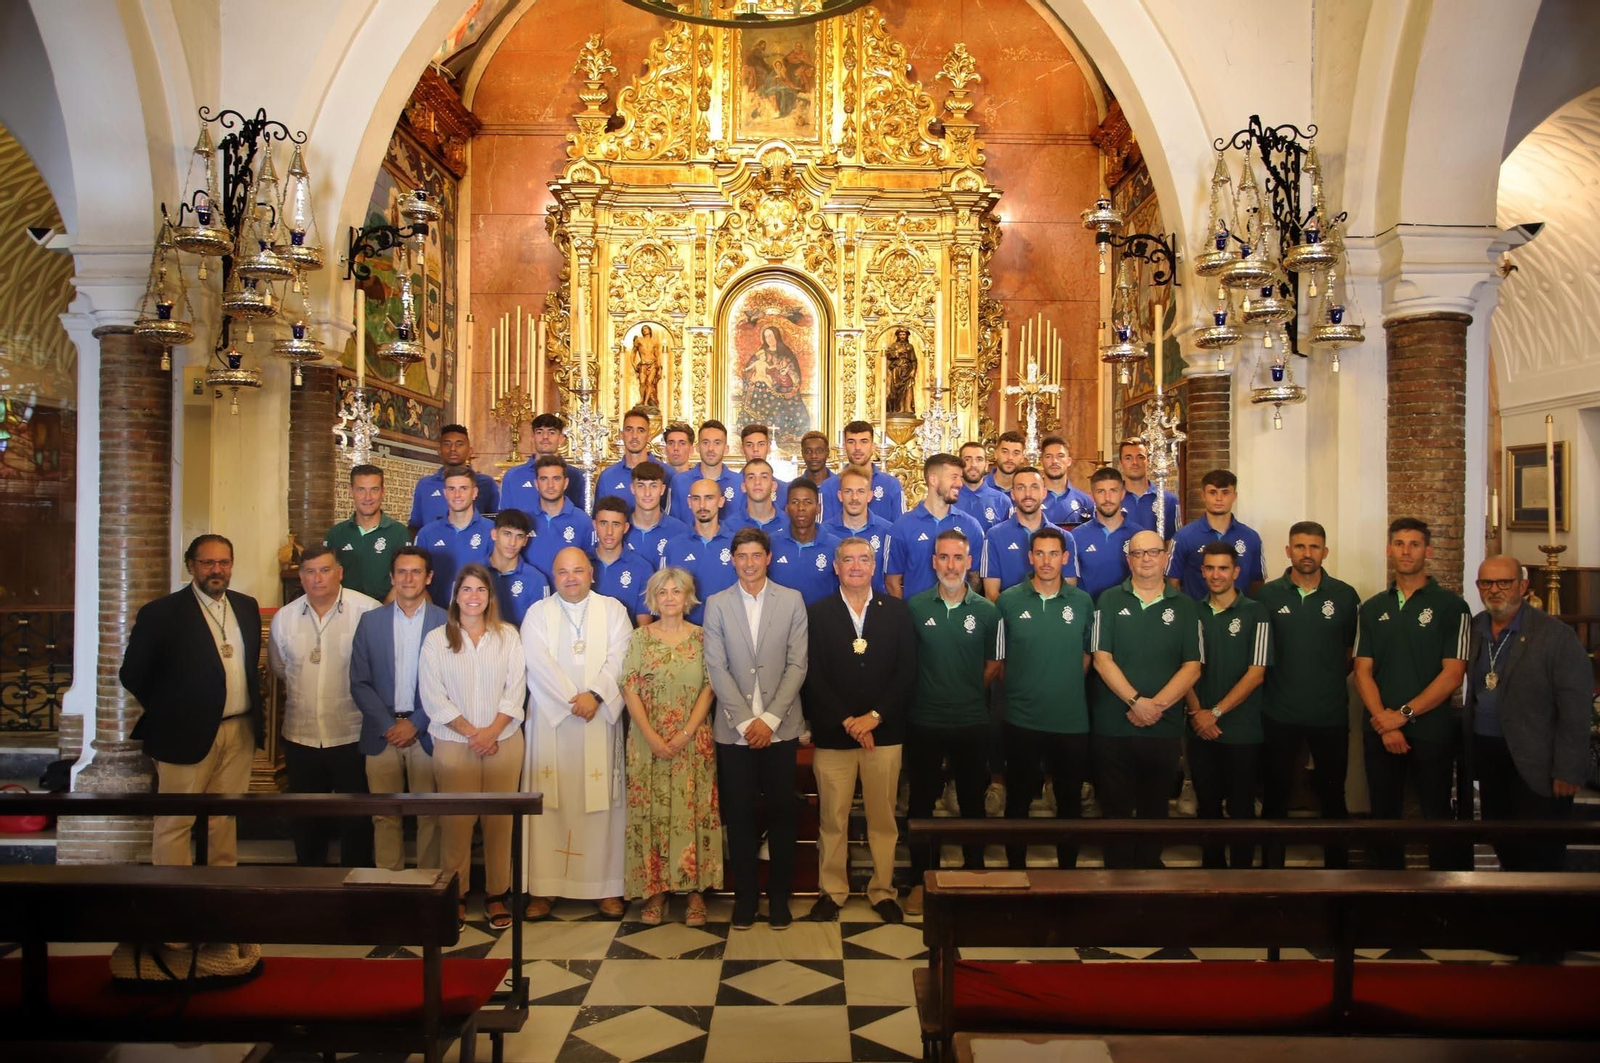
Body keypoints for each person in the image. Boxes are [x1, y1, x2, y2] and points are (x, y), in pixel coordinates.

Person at [123, 534, 264, 867]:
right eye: (207, 563)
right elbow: (133, 674)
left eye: (224, 562)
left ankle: (220, 890)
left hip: (239, 729)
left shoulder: (246, 607)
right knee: (176, 820)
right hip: (183, 733)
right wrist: (174, 711)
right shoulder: (162, 613)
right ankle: (174, 897)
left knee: (225, 818)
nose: (216, 570)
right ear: (191, 565)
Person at [803, 536, 916, 923]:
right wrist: (849, 721)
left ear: (874, 566)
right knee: (832, 819)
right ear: (835, 567)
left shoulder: (897, 612)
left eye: (863, 559)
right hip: (835, 735)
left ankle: (883, 890)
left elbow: (906, 672)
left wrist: (875, 717)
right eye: (847, 559)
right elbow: (812, 675)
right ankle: (832, 891)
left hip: (883, 735)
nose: (855, 566)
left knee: (882, 819)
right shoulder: (816, 614)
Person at [704, 528, 809, 930]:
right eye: (741, 556)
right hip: (734, 732)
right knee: (741, 815)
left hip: (780, 728)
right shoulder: (717, 604)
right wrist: (748, 722)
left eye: (756, 555)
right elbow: (717, 666)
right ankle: (745, 898)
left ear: (768, 558)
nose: (749, 563)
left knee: (783, 812)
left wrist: (769, 720)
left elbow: (797, 664)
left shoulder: (792, 601)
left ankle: (778, 898)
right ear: (733, 560)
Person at [1353, 518, 1471, 871]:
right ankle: (1385, 891)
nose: (1406, 551)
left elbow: (1453, 674)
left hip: (1430, 729)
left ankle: (1444, 895)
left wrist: (1402, 715)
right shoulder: (1373, 607)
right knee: (1383, 814)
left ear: (1428, 551)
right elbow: (1362, 671)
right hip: (1380, 727)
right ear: (1389, 550)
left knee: (1436, 811)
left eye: (1415, 544)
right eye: (1400, 544)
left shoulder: (1453, 607)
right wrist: (1385, 723)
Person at [522, 548, 635, 918]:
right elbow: (537, 664)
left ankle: (605, 887)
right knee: (548, 803)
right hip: (552, 724)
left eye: (578, 571)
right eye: (562, 572)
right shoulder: (538, 613)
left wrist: (597, 696)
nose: (571, 578)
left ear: (592, 573)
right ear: (553, 576)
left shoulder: (613, 610)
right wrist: (574, 702)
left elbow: (622, 656)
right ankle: (544, 888)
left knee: (600, 803)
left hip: (599, 719)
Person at [1463, 554, 1593, 872]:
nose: (1495, 590)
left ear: (1522, 586)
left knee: (1541, 852)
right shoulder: (1475, 628)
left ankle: (1544, 916)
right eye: (1486, 583)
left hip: (1540, 763)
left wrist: (1568, 769)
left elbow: (1576, 708)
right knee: (1502, 839)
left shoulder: (1554, 635)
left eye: (1504, 582)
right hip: (1491, 757)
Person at [421, 563, 527, 930]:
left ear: (489, 597)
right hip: (454, 744)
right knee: (456, 824)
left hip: (504, 741)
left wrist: (492, 732)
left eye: (480, 590)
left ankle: (497, 895)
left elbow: (516, 690)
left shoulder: (508, 636)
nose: (473, 597)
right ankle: (459, 894)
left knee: (499, 823)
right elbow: (434, 698)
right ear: (455, 596)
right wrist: (472, 734)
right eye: (466, 590)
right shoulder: (437, 639)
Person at [1090, 530, 1203, 869]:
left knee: (1155, 808)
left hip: (1164, 727)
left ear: (1166, 557)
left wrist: (1156, 707)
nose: (1146, 559)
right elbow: (1100, 658)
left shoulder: (1184, 605)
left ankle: (1149, 876)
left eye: (1154, 552)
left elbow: (1192, 666)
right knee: (1115, 808)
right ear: (1129, 560)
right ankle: (1117, 875)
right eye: (1139, 554)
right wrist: (1135, 701)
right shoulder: (1108, 600)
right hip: (1115, 725)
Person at [903, 529, 1000, 915]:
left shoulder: (987, 611)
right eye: (943, 557)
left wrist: (964, 691)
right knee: (922, 803)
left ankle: (974, 876)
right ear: (933, 562)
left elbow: (994, 664)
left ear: (969, 562)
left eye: (957, 558)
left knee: (973, 802)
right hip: (924, 719)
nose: (950, 565)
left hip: (972, 720)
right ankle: (919, 882)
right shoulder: (915, 607)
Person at [269, 544, 381, 867]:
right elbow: (279, 668)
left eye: (325, 570)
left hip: (352, 735)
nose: (317, 578)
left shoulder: (367, 611)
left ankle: (355, 889)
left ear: (340, 572)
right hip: (301, 736)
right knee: (306, 820)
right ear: (301, 577)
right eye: (310, 572)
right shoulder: (285, 618)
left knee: (356, 821)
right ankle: (310, 888)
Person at [1256, 521, 1360, 869]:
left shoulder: (1345, 596)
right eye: (1299, 546)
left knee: (1333, 794)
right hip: (1278, 711)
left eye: (1314, 547)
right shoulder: (1268, 596)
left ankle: (1338, 871)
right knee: (1275, 795)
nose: (1306, 553)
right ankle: (1272, 871)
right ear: (1288, 551)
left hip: (1329, 712)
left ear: (1325, 552)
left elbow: (1349, 653)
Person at [621, 566, 722, 927]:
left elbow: (710, 688)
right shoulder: (639, 639)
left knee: (692, 811)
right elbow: (629, 688)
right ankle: (655, 891)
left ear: (687, 597)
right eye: (662, 592)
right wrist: (651, 736)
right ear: (653, 598)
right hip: (646, 742)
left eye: (676, 592)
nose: (669, 598)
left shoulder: (702, 638)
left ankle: (695, 891)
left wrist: (683, 734)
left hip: (692, 741)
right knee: (649, 813)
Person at [995, 527, 1095, 870]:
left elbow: (1086, 656)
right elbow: (1001, 660)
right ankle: (1015, 867)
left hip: (1070, 720)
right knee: (1019, 799)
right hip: (1022, 718)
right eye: (1040, 553)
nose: (1047, 561)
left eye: (1054, 554)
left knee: (1068, 801)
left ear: (1066, 558)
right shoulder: (1009, 600)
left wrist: (1061, 683)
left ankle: (1067, 870)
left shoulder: (1082, 602)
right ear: (1030, 557)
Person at [349, 545, 447, 871]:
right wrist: (388, 724)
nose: (408, 578)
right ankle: (389, 887)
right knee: (384, 816)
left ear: (428, 577)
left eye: (416, 571)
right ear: (392, 577)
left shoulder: (445, 622)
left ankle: (430, 886)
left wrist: (415, 723)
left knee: (430, 816)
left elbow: (449, 684)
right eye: (401, 572)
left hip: (427, 732)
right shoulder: (370, 622)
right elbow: (359, 681)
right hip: (382, 734)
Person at [1185, 541, 1273, 869]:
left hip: (1241, 730)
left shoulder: (1256, 612)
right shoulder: (1190, 611)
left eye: (1223, 568)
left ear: (1236, 572)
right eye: (1209, 568)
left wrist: (1216, 713)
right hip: (1199, 729)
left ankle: (1242, 877)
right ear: (1202, 571)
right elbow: (1186, 669)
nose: (1216, 574)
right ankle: (1212, 876)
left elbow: (1257, 673)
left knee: (1241, 809)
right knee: (1206, 807)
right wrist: (1197, 714)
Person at [886, 453, 984, 601]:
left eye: (960, 477)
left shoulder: (971, 526)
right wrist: (905, 617)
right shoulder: (901, 527)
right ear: (933, 479)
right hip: (915, 618)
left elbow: (975, 577)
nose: (960, 483)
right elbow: (892, 582)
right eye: (954, 477)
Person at [1167, 469, 1265, 600]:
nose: (1219, 498)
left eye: (1225, 492)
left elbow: (1257, 584)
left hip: (1239, 617)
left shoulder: (1251, 538)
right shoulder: (1183, 537)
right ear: (1203, 495)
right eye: (1213, 492)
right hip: (1196, 616)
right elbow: (1173, 583)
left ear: (1234, 496)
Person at [324, 463, 410, 601]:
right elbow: (327, 577)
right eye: (361, 490)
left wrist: (382, 612)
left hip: (385, 610)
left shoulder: (399, 533)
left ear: (383, 492)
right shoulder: (335, 534)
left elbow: (405, 578)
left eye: (374, 490)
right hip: (345, 611)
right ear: (351, 491)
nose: (368, 497)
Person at [981, 466, 1069, 600]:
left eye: (1034, 487)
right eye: (1021, 488)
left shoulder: (1065, 537)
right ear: (1012, 494)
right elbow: (991, 594)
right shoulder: (994, 536)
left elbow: (1068, 593)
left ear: (1044, 493)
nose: (1028, 494)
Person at [660, 478, 740, 625]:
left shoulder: (738, 544)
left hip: (730, 630)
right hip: (686, 635)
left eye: (709, 498)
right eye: (696, 499)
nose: (702, 505)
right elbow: (662, 595)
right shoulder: (673, 546)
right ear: (689, 503)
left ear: (721, 501)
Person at [408, 424, 499, 536]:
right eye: (447, 444)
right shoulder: (425, 484)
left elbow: (495, 520)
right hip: (432, 549)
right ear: (439, 451)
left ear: (470, 451)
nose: (453, 449)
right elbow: (415, 526)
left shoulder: (486, 483)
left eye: (459, 444)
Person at [522, 455, 598, 578]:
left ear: (565, 483)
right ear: (536, 484)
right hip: (532, 595)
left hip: (569, 596)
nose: (550, 485)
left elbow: (591, 564)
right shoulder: (524, 520)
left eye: (556, 479)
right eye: (544, 479)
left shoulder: (583, 521)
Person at [767, 478, 840, 605]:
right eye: (795, 502)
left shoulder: (836, 546)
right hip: (780, 622)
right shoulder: (770, 543)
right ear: (787, 509)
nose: (801, 508)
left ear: (818, 508)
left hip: (821, 622)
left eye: (807, 502)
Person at [822, 464, 893, 596]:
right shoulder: (823, 532)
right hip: (834, 610)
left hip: (876, 610)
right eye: (848, 491)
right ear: (840, 495)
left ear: (870, 495)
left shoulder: (887, 531)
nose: (854, 498)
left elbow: (892, 579)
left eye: (860, 491)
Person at [1071, 467, 1138, 601]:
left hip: (1128, 614)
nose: (1107, 498)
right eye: (1101, 491)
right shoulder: (1076, 536)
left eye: (1113, 491)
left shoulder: (1138, 535)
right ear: (1092, 496)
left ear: (1123, 494)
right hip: (1089, 614)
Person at [819, 420, 904, 524]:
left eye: (864, 441)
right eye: (851, 442)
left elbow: (901, 530)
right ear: (844, 446)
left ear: (873, 446)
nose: (857, 448)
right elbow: (822, 531)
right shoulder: (829, 486)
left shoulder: (891, 485)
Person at [591, 496, 655, 626]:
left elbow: (643, 628)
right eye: (603, 523)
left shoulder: (642, 568)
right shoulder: (582, 564)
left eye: (616, 524)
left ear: (625, 528)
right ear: (594, 525)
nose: (609, 531)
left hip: (625, 644)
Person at [484, 508, 549, 625]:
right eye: (507, 534)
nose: (512, 543)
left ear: (525, 541)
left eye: (519, 536)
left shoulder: (536, 580)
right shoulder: (474, 573)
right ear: (494, 534)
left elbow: (542, 627)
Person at [594, 408, 664, 514]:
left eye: (641, 430)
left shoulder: (666, 473)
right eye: (629, 429)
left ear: (649, 436)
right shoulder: (607, 477)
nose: (634, 436)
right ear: (622, 435)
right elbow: (600, 519)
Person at [668, 419, 742, 518]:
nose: (711, 448)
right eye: (705, 442)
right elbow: (673, 523)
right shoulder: (679, 481)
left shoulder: (740, 482)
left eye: (717, 443)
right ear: (698, 447)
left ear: (726, 449)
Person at [624, 461, 688, 563]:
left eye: (653, 486)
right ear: (632, 488)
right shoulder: (620, 528)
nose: (647, 493)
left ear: (662, 489)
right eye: (641, 486)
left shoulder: (680, 531)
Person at [1117, 438, 1181, 538]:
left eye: (1140, 457)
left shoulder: (1168, 500)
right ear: (1120, 463)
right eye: (1128, 458)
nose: (1134, 462)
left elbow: (1174, 542)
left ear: (1148, 461)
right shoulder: (1113, 499)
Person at [956, 441, 1013, 531]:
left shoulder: (1002, 501)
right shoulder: (948, 499)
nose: (973, 464)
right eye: (967, 459)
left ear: (986, 465)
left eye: (979, 459)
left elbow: (1007, 539)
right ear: (958, 465)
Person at [1039, 436, 1092, 528]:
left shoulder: (1084, 501)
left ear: (1069, 461)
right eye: (1048, 456)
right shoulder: (1031, 498)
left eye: (1060, 456)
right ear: (1041, 461)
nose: (1054, 461)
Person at [739, 423, 793, 504]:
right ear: (742, 449)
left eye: (761, 444)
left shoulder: (784, 490)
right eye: (749, 445)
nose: (755, 449)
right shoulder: (730, 487)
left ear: (768, 448)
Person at [884, 327, 919, 413]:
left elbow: (914, 360)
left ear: (907, 336)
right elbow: (888, 354)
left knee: (908, 388)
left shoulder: (910, 346)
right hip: (897, 369)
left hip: (907, 368)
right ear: (898, 336)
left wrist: (913, 370)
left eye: (904, 334)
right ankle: (900, 408)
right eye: (900, 334)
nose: (902, 336)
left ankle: (908, 407)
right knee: (897, 389)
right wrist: (897, 352)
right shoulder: (894, 345)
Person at [985, 430, 1025, 496]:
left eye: (1016, 453)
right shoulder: (980, 486)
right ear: (996, 454)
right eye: (1005, 452)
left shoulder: (1027, 491)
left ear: (1022, 458)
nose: (1010, 457)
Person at [632, 326, 663, 407]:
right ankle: (642, 399)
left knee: (649, 382)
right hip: (643, 364)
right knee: (642, 383)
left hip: (653, 364)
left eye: (646, 328)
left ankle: (646, 402)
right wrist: (633, 363)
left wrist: (659, 368)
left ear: (650, 330)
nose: (644, 330)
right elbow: (633, 352)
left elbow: (657, 355)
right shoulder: (639, 340)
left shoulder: (654, 341)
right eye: (643, 329)